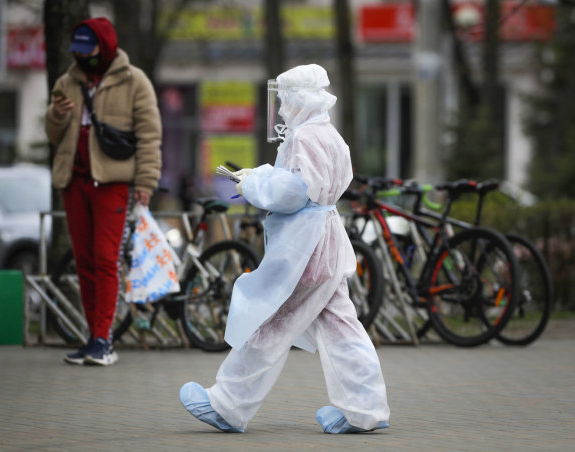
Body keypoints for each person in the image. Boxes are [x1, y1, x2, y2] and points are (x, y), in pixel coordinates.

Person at [179, 64, 390, 433]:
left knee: (269, 323)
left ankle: (228, 404)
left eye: (285, 100)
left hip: (305, 246)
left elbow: (292, 193)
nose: (280, 109)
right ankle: (365, 407)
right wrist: (261, 175)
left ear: (299, 98)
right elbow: (309, 183)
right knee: (343, 327)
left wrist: (252, 186)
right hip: (329, 241)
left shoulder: (303, 138)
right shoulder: (330, 135)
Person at [45, 17, 162, 366]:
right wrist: (56, 114)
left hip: (113, 182)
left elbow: (150, 136)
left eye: (89, 50)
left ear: (105, 48)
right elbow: (53, 134)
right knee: (83, 262)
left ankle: (103, 339)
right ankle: (91, 336)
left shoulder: (134, 81)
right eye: (77, 51)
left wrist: (145, 184)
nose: (82, 57)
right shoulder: (67, 81)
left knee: (105, 258)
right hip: (74, 182)